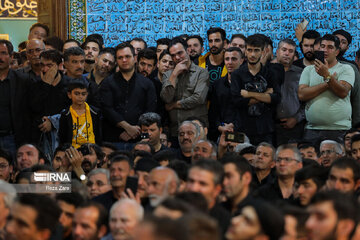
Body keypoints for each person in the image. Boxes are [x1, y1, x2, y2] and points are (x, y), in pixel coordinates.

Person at [298, 34, 355, 143]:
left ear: (337, 52)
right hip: (312, 130)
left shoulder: (346, 69)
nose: (325, 50)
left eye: (330, 47)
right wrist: (330, 80)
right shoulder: (309, 70)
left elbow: (342, 92)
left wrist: (326, 76)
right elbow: (302, 95)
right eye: (322, 46)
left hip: (339, 129)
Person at [100, 42, 156, 150]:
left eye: (127, 56)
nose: (124, 60)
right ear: (116, 61)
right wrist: (127, 127)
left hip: (141, 138)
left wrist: (135, 131)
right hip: (113, 138)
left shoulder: (147, 83)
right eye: (120, 57)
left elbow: (150, 111)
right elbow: (107, 109)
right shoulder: (107, 83)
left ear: (135, 58)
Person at [231, 34, 281, 145]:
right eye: (249, 50)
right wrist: (264, 95)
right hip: (241, 128)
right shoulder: (237, 74)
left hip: (266, 129)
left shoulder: (271, 74)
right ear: (245, 51)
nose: (252, 54)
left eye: (256, 50)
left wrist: (248, 94)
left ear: (263, 52)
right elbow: (237, 101)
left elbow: (276, 98)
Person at [160, 37, 209, 139]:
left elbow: (198, 98)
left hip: (197, 131)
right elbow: (166, 98)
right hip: (175, 131)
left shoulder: (201, 72)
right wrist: (174, 75)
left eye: (180, 53)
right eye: (173, 55)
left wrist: (174, 105)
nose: (177, 57)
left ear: (188, 51)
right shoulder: (168, 75)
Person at [28, 49, 69, 146]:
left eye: (49, 66)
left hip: (64, 137)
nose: (45, 69)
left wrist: (53, 122)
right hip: (40, 138)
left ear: (59, 66)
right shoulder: (34, 84)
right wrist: (45, 85)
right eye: (42, 65)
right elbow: (34, 108)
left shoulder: (69, 85)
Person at [186, 159, 231, 237]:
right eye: (191, 181)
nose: (194, 188)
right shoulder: (172, 212)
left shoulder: (226, 224)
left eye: (202, 184)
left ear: (217, 190)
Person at [0, 40, 30, 154]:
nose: (0, 57)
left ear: (11, 56)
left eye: (3, 53)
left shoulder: (22, 80)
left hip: (13, 138)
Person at [208, 47, 244, 141]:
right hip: (220, 132)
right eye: (227, 59)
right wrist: (219, 126)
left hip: (243, 132)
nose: (230, 62)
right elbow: (213, 111)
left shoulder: (248, 84)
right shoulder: (217, 84)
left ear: (242, 61)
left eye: (234, 59)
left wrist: (234, 125)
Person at [275, 38, 305, 145]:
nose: (287, 53)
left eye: (291, 51)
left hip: (295, 127)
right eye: (284, 50)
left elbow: (308, 102)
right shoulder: (267, 72)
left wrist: (296, 119)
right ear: (277, 52)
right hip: (271, 127)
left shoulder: (301, 74)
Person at [58, 79, 102, 148]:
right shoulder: (66, 114)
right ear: (69, 95)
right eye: (77, 93)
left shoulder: (95, 112)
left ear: (87, 94)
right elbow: (63, 137)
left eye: (83, 94)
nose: (80, 97)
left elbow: (99, 135)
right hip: (73, 151)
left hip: (92, 150)